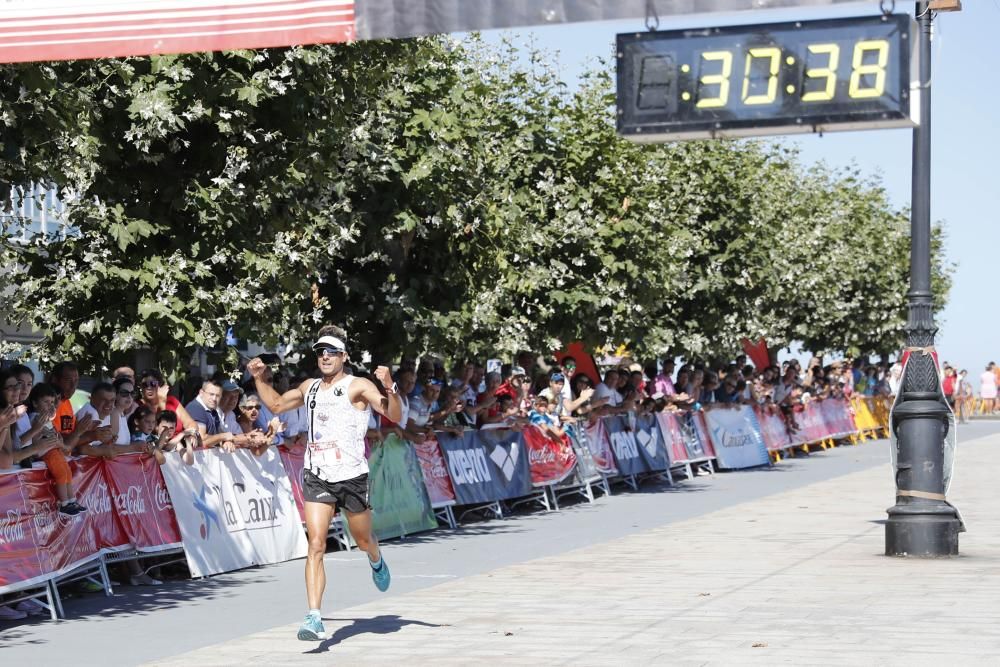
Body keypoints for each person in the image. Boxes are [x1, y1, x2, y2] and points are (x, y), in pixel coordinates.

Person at [248, 325, 401, 642]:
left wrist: (390, 388)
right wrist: (260, 379)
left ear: (344, 356)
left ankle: (375, 557)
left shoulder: (357, 386)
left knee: (362, 539)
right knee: (316, 544)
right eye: (321, 351)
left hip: (352, 475)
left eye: (332, 351)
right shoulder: (309, 387)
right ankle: (314, 616)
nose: (325, 357)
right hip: (317, 472)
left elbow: (394, 415)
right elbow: (276, 405)